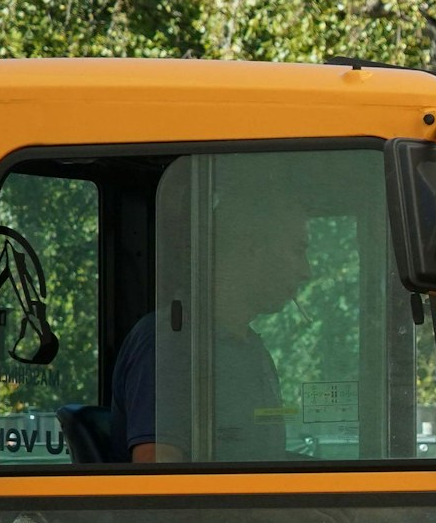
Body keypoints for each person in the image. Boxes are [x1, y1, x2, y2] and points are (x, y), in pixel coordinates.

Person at [111, 196, 313, 463]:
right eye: (298, 250)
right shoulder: (171, 343)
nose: (306, 271)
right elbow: (156, 478)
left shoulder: (252, 349)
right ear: (251, 248)